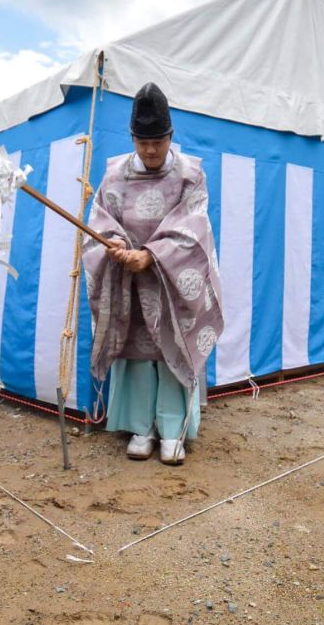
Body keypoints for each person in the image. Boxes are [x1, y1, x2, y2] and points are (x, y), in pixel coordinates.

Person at [84, 82, 224, 465]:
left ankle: (173, 430)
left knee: (170, 350)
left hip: (171, 281)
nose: (149, 151)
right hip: (128, 280)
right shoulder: (114, 176)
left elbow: (193, 226)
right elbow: (102, 219)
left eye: (157, 142)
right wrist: (114, 245)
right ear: (132, 138)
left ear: (170, 137)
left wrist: (152, 255)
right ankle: (140, 428)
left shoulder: (190, 175)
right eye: (142, 142)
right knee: (137, 354)